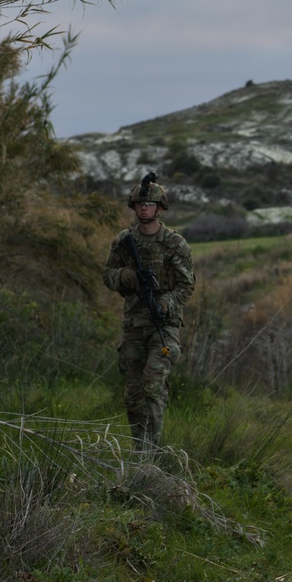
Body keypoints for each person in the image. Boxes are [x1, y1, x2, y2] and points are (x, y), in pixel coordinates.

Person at [103, 173, 195, 449]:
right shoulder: (124, 240)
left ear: (160, 208)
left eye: (150, 204)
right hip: (134, 324)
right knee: (133, 394)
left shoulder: (174, 244)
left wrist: (166, 302)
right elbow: (107, 275)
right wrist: (125, 277)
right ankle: (139, 450)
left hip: (163, 325)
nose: (144, 208)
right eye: (140, 204)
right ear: (133, 207)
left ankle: (152, 454)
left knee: (153, 387)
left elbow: (186, 286)